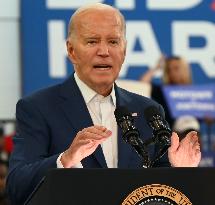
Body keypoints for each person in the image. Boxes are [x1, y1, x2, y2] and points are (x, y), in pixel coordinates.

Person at [6, 3, 201, 205]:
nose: (104, 51)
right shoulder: (38, 108)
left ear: (124, 51)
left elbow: (162, 190)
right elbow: (17, 186)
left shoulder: (148, 111)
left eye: (113, 41)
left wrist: (181, 171)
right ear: (71, 51)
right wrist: (65, 160)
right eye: (92, 42)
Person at [140, 56, 192, 128]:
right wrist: (156, 68)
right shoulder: (163, 91)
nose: (172, 72)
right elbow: (143, 83)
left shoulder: (194, 93)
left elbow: (201, 116)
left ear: (184, 70)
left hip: (193, 134)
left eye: (176, 68)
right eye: (169, 70)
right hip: (172, 134)